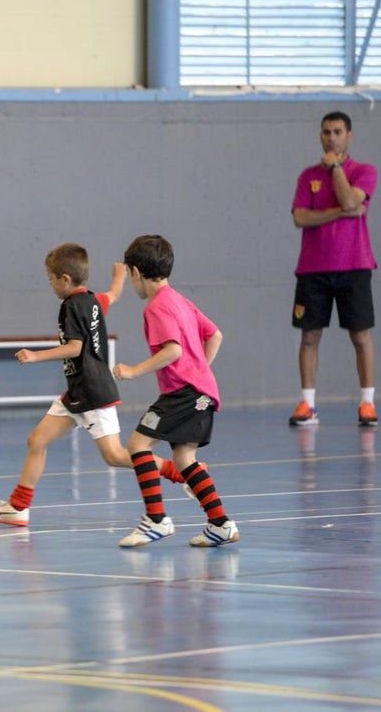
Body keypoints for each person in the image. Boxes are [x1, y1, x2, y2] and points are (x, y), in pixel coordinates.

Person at [0, 243, 191, 528]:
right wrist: (118, 276)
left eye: (51, 278)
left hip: (93, 392)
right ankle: (18, 506)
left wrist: (36, 355)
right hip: (77, 393)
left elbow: (76, 348)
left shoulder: (71, 306)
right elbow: (113, 296)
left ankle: (178, 471)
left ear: (66, 279)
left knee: (115, 456)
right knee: (37, 440)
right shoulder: (91, 300)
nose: (50, 284)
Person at [111, 234, 238, 548]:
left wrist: (133, 370)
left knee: (138, 444)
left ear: (136, 273)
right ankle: (220, 523)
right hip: (200, 391)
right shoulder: (180, 300)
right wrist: (201, 371)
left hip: (183, 393)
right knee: (184, 458)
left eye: (129, 276)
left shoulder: (156, 307)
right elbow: (216, 335)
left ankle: (156, 520)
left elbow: (173, 351)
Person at [289, 111, 380, 427]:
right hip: (313, 269)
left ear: (349, 136)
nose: (331, 137)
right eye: (326, 132)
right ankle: (308, 404)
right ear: (320, 135)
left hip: (354, 264)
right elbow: (300, 217)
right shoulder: (307, 176)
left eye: (338, 132)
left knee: (360, 335)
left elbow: (353, 200)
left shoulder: (364, 171)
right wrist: (342, 212)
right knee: (310, 335)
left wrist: (337, 168)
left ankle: (367, 403)